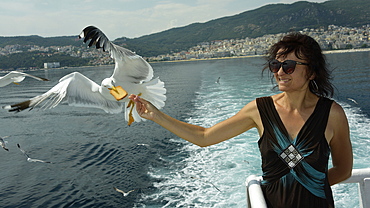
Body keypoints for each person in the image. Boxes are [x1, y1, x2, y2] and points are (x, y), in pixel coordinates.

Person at [129, 32, 353, 208]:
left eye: (289, 66)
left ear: (312, 72)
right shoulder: (259, 109)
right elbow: (204, 137)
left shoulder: (332, 114)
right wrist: (156, 115)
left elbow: (343, 170)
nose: (280, 72)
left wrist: (308, 185)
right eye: (276, 65)